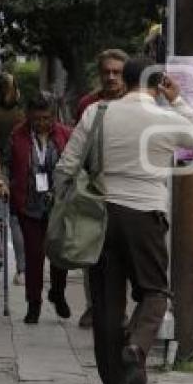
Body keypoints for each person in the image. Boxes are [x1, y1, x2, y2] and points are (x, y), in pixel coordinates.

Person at [55, 58, 193, 384]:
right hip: (145, 217)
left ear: (123, 81)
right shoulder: (165, 119)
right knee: (155, 291)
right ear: (156, 85)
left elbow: (67, 164)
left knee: (106, 304)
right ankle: (137, 348)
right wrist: (178, 100)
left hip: (100, 216)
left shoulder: (96, 113)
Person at [75, 48, 128, 328]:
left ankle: (120, 309)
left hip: (127, 188)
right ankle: (93, 305)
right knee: (91, 248)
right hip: (94, 186)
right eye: (106, 72)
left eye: (117, 72)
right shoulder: (88, 104)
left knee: (124, 252)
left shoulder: (135, 104)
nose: (111, 77)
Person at [10, 93, 73, 324]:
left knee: (59, 253)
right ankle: (33, 303)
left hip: (59, 204)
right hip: (29, 205)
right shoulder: (17, 135)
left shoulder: (65, 134)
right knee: (34, 256)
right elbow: (7, 164)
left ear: (53, 116)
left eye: (46, 118)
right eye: (36, 119)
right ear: (28, 116)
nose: (42, 123)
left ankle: (57, 292)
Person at [0, 72, 25, 283]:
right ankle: (22, 269)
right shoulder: (21, 115)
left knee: (5, 218)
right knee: (14, 219)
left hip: (2, 169)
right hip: (14, 171)